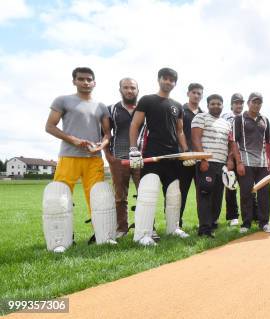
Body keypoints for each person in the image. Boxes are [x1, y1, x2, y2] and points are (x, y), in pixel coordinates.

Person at [43, 67, 114, 252]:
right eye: (81, 79)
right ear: (74, 81)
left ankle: (102, 236)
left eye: (89, 79)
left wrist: (102, 145)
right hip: (69, 157)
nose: (85, 82)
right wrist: (73, 139)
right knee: (60, 197)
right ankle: (61, 239)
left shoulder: (101, 106)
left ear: (94, 82)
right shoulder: (63, 100)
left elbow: (108, 133)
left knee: (98, 198)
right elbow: (50, 126)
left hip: (94, 159)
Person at [129, 67, 194, 246]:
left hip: (172, 156)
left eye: (172, 80)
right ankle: (143, 234)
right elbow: (135, 125)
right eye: (165, 79)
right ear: (159, 80)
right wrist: (133, 149)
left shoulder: (177, 106)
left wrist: (186, 151)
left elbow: (180, 131)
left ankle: (173, 228)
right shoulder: (147, 100)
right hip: (152, 154)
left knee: (174, 193)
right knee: (148, 193)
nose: (168, 82)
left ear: (175, 83)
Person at [191, 94, 237, 238]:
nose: (216, 106)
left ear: (222, 105)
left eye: (218, 104)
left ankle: (211, 223)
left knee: (217, 196)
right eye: (213, 104)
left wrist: (230, 160)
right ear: (208, 105)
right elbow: (195, 138)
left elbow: (230, 144)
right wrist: (203, 158)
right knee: (205, 194)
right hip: (206, 163)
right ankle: (204, 229)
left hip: (221, 164)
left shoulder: (226, 123)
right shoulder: (200, 117)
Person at [233, 92, 270, 233]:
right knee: (246, 193)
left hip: (263, 163)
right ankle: (246, 224)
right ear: (248, 103)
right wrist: (238, 162)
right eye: (254, 102)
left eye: (259, 102)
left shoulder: (265, 119)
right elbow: (233, 142)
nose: (256, 105)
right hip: (246, 162)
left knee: (264, 193)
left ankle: (264, 223)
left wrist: (269, 161)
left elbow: (269, 143)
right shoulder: (239, 119)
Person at [105, 77, 142, 238]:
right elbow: (105, 134)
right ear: (120, 90)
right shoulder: (111, 109)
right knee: (120, 197)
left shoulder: (144, 109)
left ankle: (146, 226)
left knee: (145, 194)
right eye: (126, 87)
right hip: (119, 159)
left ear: (137, 91)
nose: (129, 91)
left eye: (133, 88)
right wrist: (108, 156)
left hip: (141, 159)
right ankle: (122, 229)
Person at [178, 83, 204, 228]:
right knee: (182, 191)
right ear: (188, 93)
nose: (196, 95)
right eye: (194, 92)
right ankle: (176, 223)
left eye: (199, 93)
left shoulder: (203, 113)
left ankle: (204, 222)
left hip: (200, 158)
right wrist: (185, 151)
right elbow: (177, 131)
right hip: (185, 158)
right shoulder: (180, 110)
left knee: (202, 191)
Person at [221, 93, 245, 226]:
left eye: (241, 103)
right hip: (230, 157)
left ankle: (253, 214)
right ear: (231, 105)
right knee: (231, 186)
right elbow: (228, 139)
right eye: (236, 103)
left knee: (247, 187)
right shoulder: (225, 118)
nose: (239, 105)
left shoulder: (246, 117)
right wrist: (229, 158)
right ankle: (233, 216)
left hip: (244, 157)